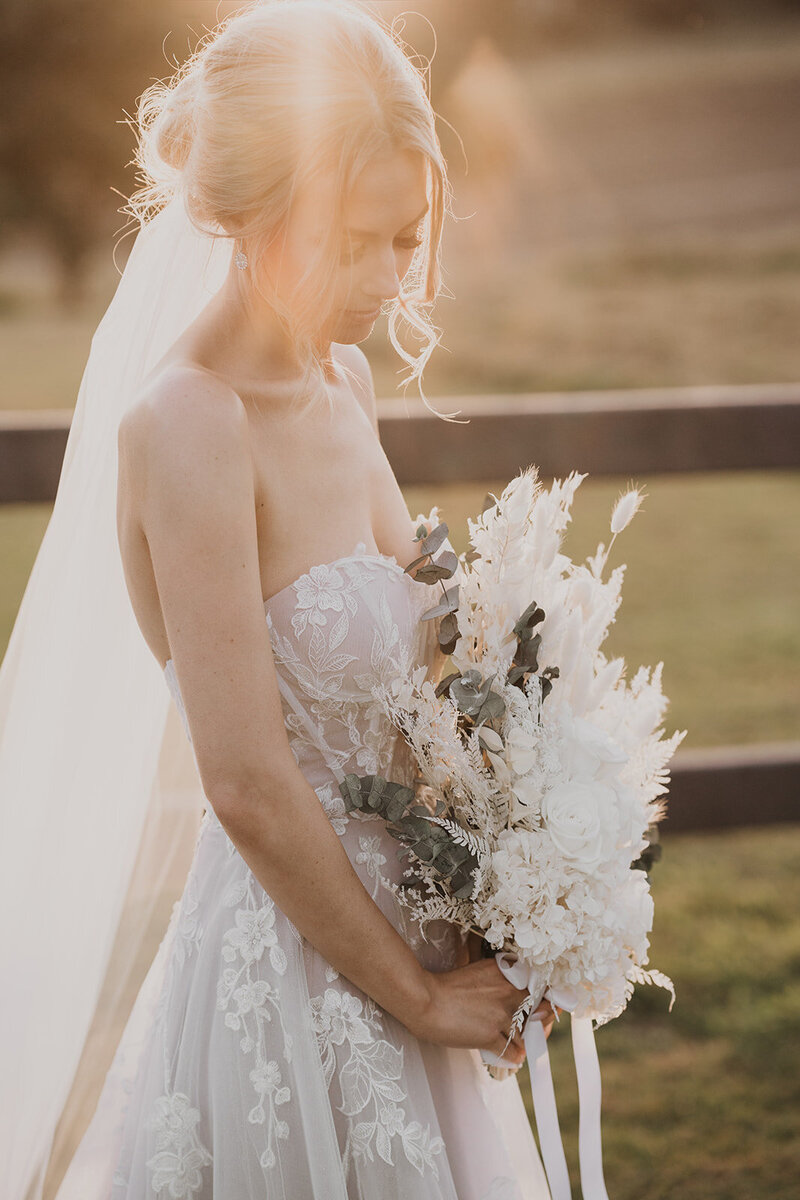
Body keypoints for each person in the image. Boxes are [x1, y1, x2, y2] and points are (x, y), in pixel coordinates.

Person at [2, 4, 556, 1197]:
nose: (384, 277)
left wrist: (524, 880)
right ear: (245, 214)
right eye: (354, 239)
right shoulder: (187, 425)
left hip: (419, 948)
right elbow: (247, 782)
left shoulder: (343, 381)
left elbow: (431, 676)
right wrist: (416, 997)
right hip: (300, 978)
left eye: (404, 240)